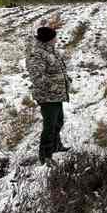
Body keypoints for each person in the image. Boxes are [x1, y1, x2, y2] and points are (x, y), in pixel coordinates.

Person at [26, 26, 71, 165]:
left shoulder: (51, 51)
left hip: (56, 95)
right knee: (49, 126)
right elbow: (37, 77)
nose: (57, 39)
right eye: (54, 37)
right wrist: (55, 87)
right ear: (48, 39)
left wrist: (66, 79)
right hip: (47, 96)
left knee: (58, 122)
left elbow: (58, 68)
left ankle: (56, 146)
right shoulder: (36, 54)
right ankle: (45, 156)